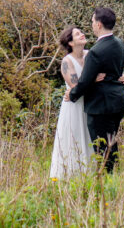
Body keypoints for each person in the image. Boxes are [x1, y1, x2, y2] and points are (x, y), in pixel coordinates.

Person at [68, 7, 124, 173]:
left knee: (102, 148)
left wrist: (71, 95)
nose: (92, 25)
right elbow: (119, 69)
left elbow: (85, 81)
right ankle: (111, 176)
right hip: (118, 101)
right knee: (111, 143)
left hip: (101, 105)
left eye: (93, 22)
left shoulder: (96, 52)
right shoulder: (119, 43)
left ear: (99, 25)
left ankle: (107, 180)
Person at [48, 26, 93, 179]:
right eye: (77, 34)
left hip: (89, 104)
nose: (82, 34)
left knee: (89, 138)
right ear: (71, 42)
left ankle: (90, 174)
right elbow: (77, 87)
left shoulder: (90, 55)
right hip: (74, 106)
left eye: (81, 32)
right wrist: (95, 81)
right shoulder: (67, 62)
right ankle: (72, 176)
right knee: (74, 138)